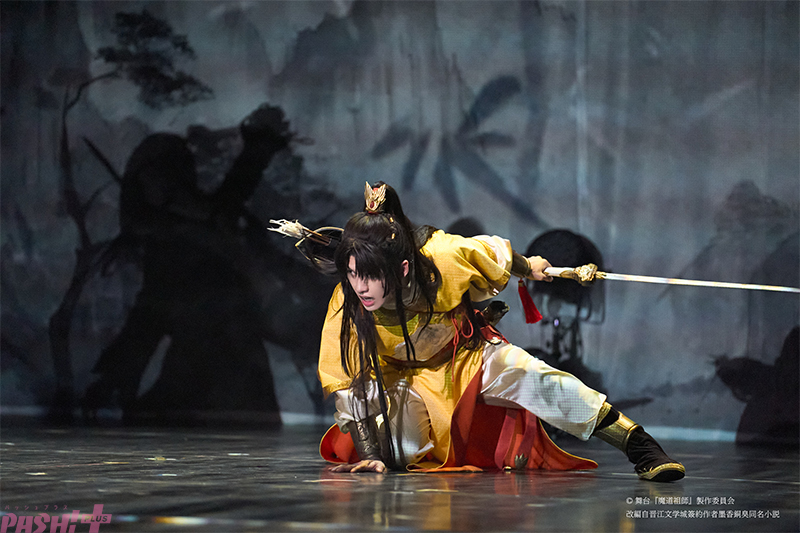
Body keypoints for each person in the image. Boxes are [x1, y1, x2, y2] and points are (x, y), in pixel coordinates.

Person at [313, 182, 684, 481]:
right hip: (403, 380)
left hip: (466, 357)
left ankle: (639, 446)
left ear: (404, 268)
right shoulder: (347, 302)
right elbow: (347, 382)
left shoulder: (444, 255)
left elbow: (494, 256)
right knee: (400, 450)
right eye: (352, 274)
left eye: (369, 275)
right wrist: (371, 454)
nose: (360, 287)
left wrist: (532, 266)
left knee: (537, 377)